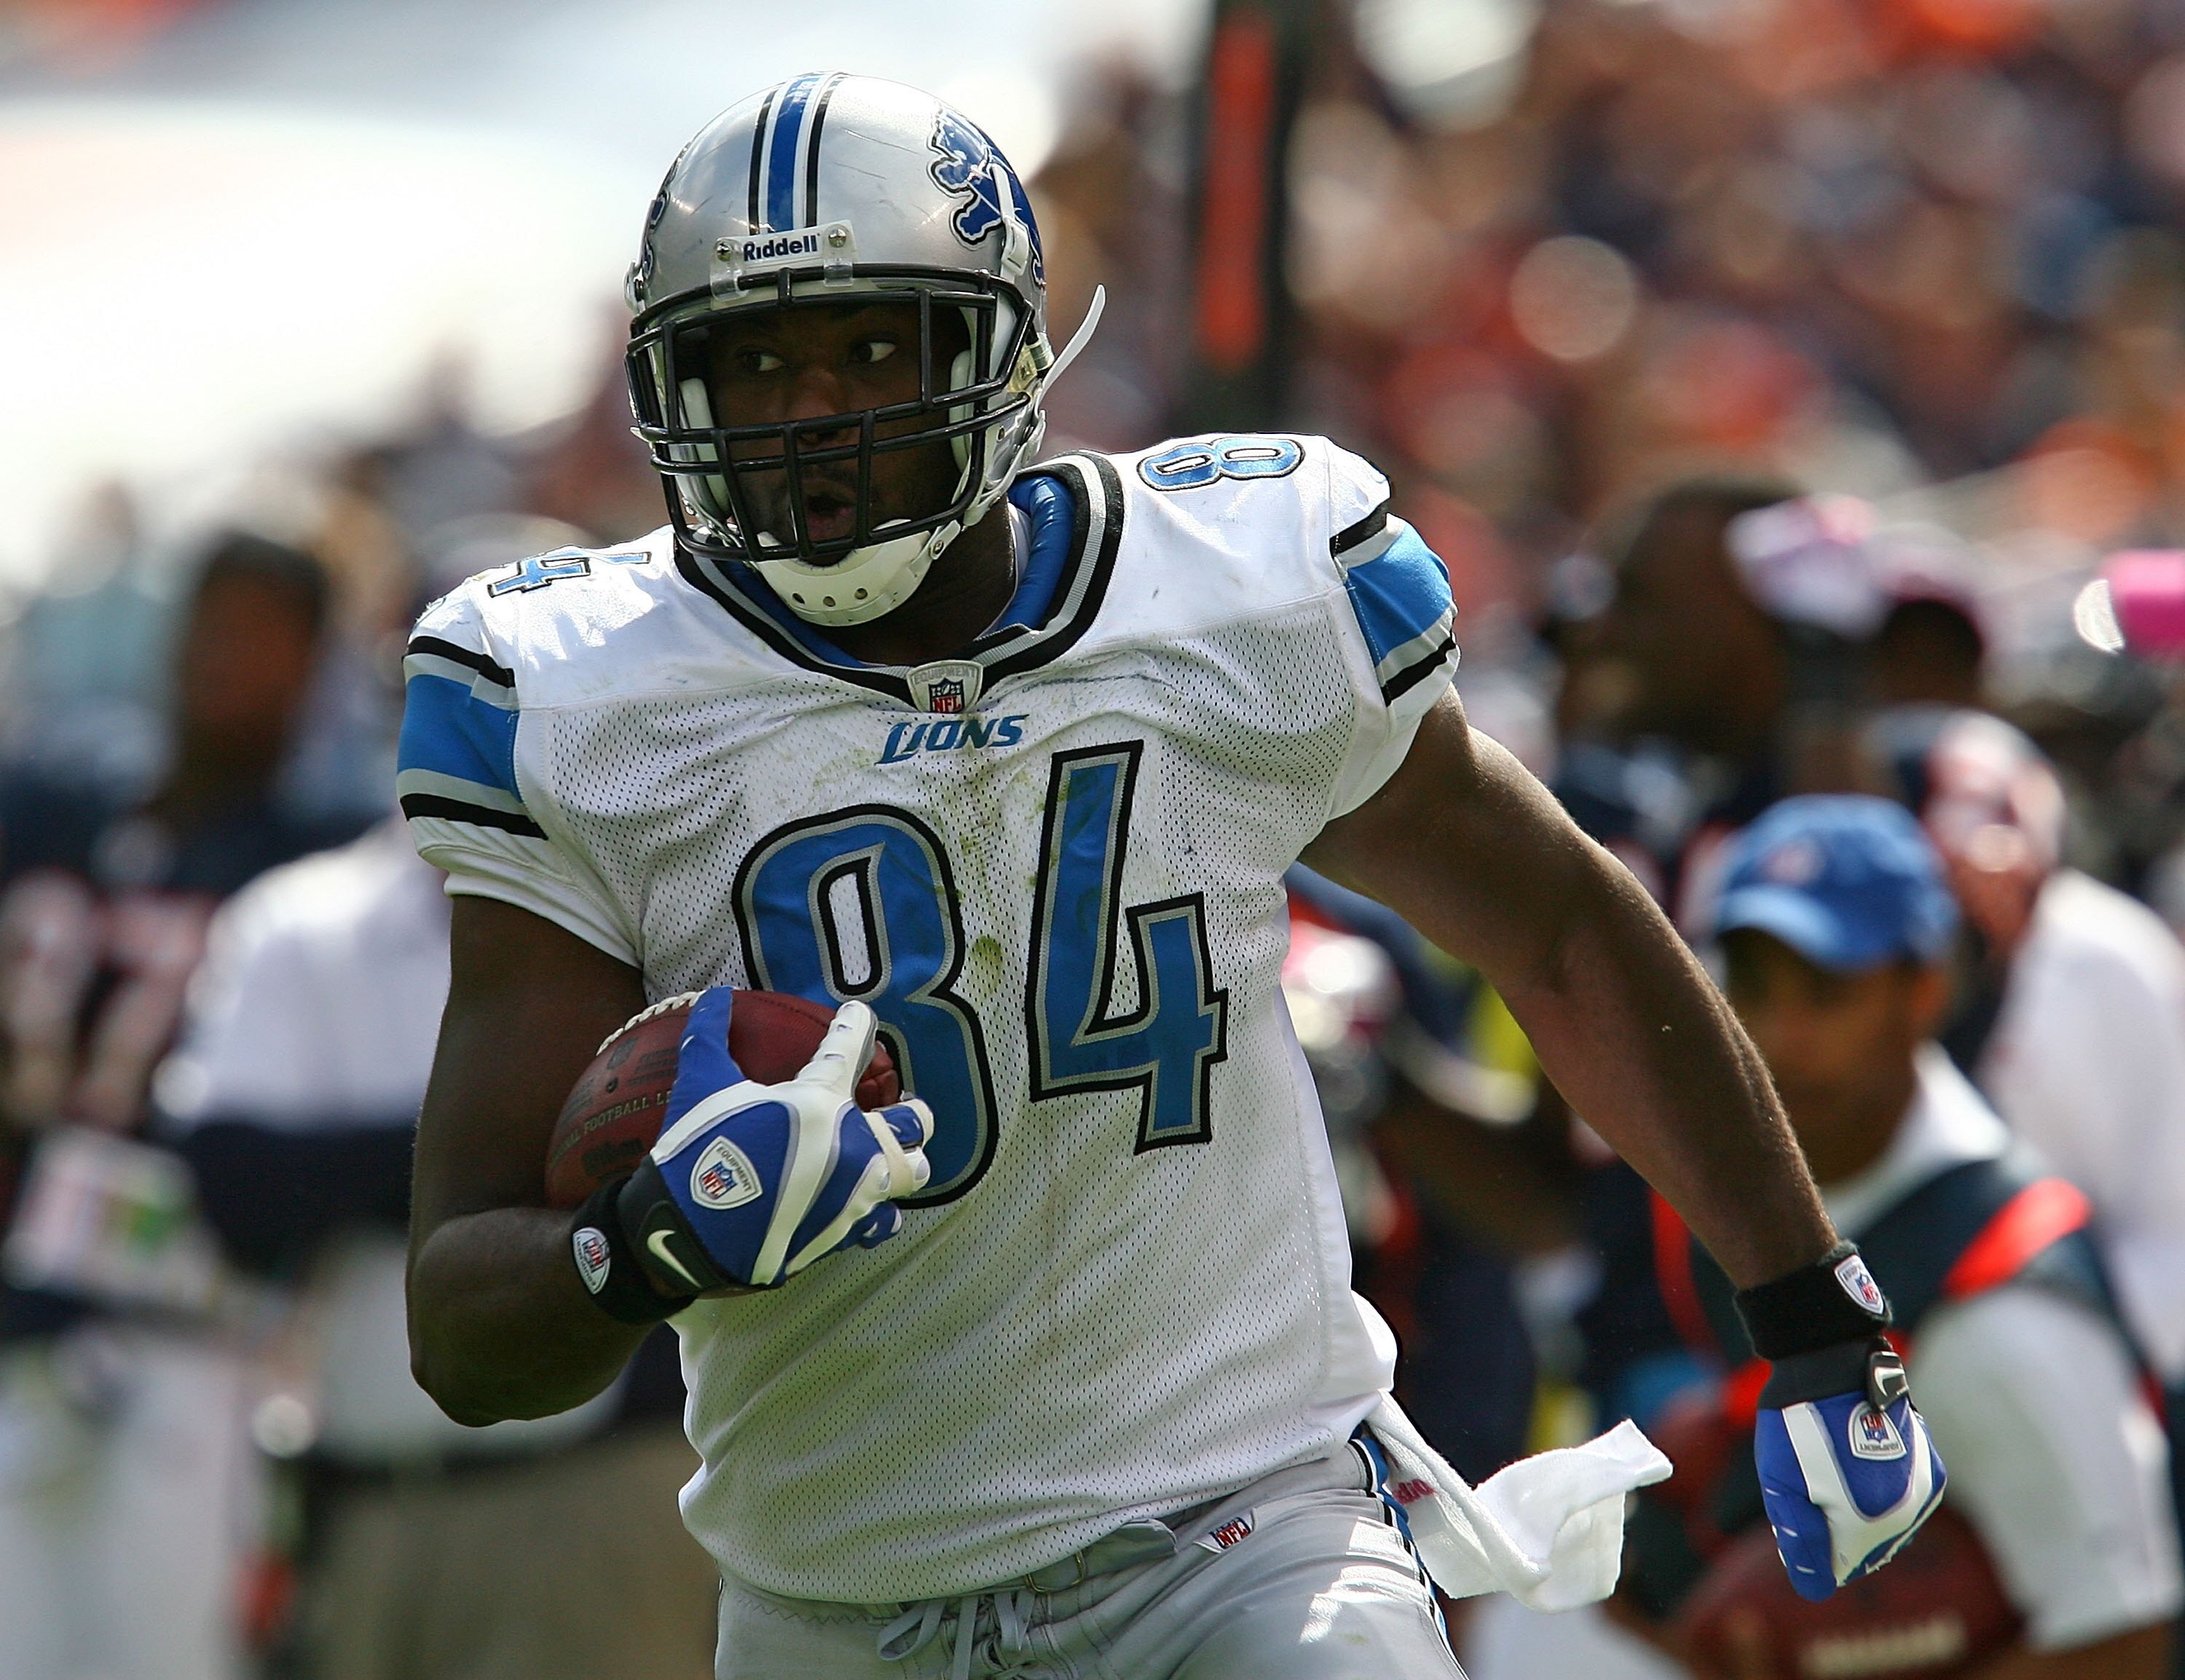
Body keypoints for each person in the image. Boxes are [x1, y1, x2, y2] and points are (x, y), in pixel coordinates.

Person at [400, 76, 1942, 1679]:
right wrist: (656, 1233)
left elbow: (1555, 929)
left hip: (1241, 1536)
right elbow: (462, 1328)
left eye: (870, 347)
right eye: (755, 360)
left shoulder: (1232, 594)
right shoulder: (580, 697)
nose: (809, 412)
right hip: (833, 1595)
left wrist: (1820, 1316)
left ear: (995, 351)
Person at [157, 819, 720, 1680]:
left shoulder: (645, 905)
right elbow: (235, 1185)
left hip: (594, 1487)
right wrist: (491, 1172)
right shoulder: (302, 918)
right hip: (367, 1500)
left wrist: (416, 1181)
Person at [1634, 795, 2179, 1674]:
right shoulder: (1717, 1189)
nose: (1782, 1033)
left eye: (1827, 989)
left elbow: (2121, 1643)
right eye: (1754, 986)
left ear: (1924, 992)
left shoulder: (2004, 1306)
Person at [0, 532, 363, 1680]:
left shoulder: (316, 860)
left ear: (314, 667)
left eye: (265, 634)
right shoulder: (52, 800)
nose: (227, 655)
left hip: (196, 1334)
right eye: (215, 618)